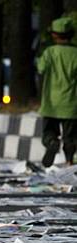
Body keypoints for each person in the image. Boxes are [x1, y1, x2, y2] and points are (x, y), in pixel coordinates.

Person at [37, 17, 77, 167]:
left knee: (49, 132)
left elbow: (40, 68)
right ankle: (69, 161)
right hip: (71, 104)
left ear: (54, 35)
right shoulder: (75, 53)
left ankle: (52, 143)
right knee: (71, 137)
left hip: (51, 104)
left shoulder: (50, 52)